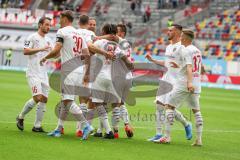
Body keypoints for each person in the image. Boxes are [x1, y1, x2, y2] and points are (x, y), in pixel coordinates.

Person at [40, 10, 93, 140]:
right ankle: (58, 128)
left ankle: (86, 125)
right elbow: (87, 54)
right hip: (79, 70)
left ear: (65, 18)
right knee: (65, 101)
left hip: (69, 71)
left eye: (60, 18)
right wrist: (87, 72)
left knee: (68, 101)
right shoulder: (78, 34)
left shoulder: (62, 32)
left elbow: (56, 50)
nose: (58, 21)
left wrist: (45, 58)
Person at [146, 24, 192, 142]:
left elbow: (189, 65)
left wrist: (180, 66)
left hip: (176, 81)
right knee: (159, 105)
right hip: (166, 78)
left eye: (170, 30)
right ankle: (158, 133)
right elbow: (167, 63)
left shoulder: (182, 48)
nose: (168, 32)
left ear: (177, 32)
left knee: (169, 108)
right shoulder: (169, 47)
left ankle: (185, 124)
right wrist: (153, 60)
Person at [159, 29, 203, 146]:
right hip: (197, 83)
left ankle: (166, 137)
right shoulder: (197, 50)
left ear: (186, 38)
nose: (181, 38)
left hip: (184, 83)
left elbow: (189, 67)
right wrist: (180, 66)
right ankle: (199, 140)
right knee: (196, 111)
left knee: (169, 106)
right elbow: (199, 68)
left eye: (182, 36)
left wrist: (189, 83)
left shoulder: (186, 50)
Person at [16, 17, 53, 132]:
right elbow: (25, 51)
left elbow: (53, 53)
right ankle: (20, 116)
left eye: (49, 25)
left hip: (44, 73)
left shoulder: (49, 40)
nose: (48, 27)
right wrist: (41, 48)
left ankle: (37, 126)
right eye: (46, 24)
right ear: (40, 25)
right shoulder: (32, 37)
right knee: (38, 97)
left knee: (44, 99)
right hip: (33, 73)